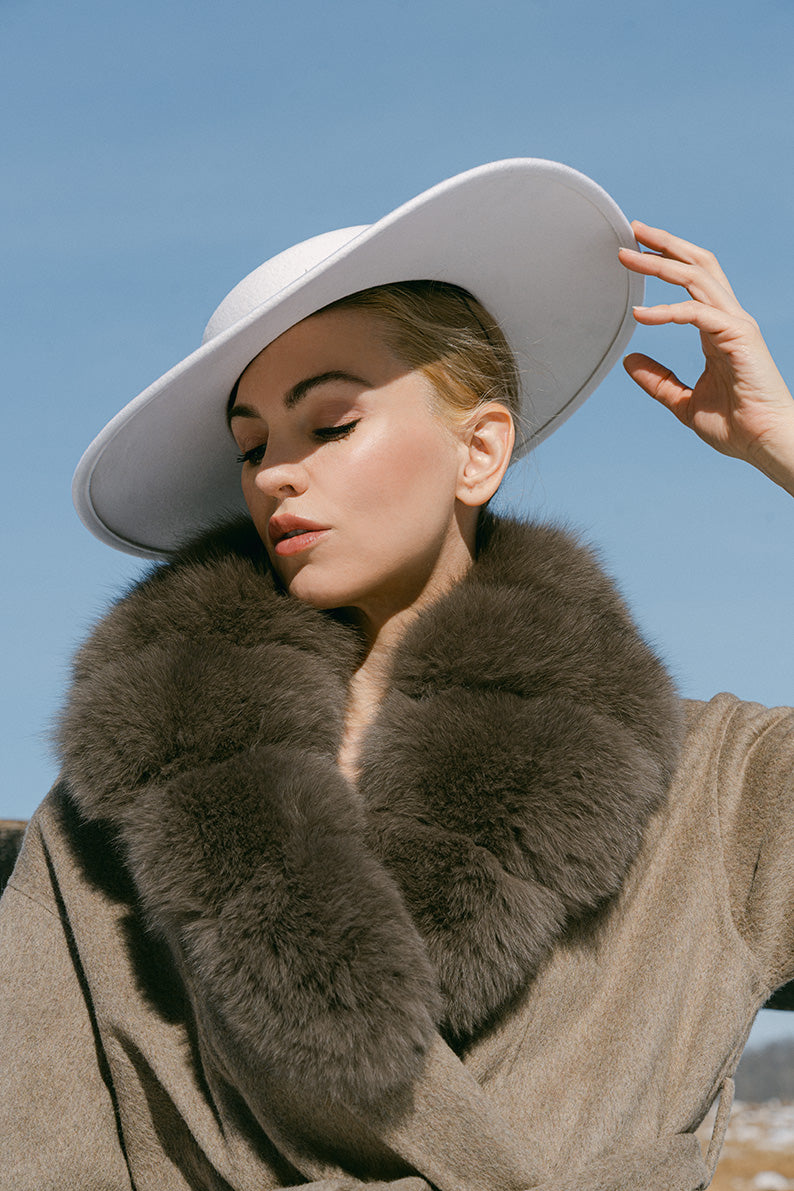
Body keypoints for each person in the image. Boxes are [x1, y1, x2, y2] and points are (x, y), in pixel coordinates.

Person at [0, 159, 792, 1191]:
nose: (277, 472)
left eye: (328, 424)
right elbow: (40, 1142)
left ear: (478, 452)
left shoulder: (716, 784)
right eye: (250, 449)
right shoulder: (113, 806)